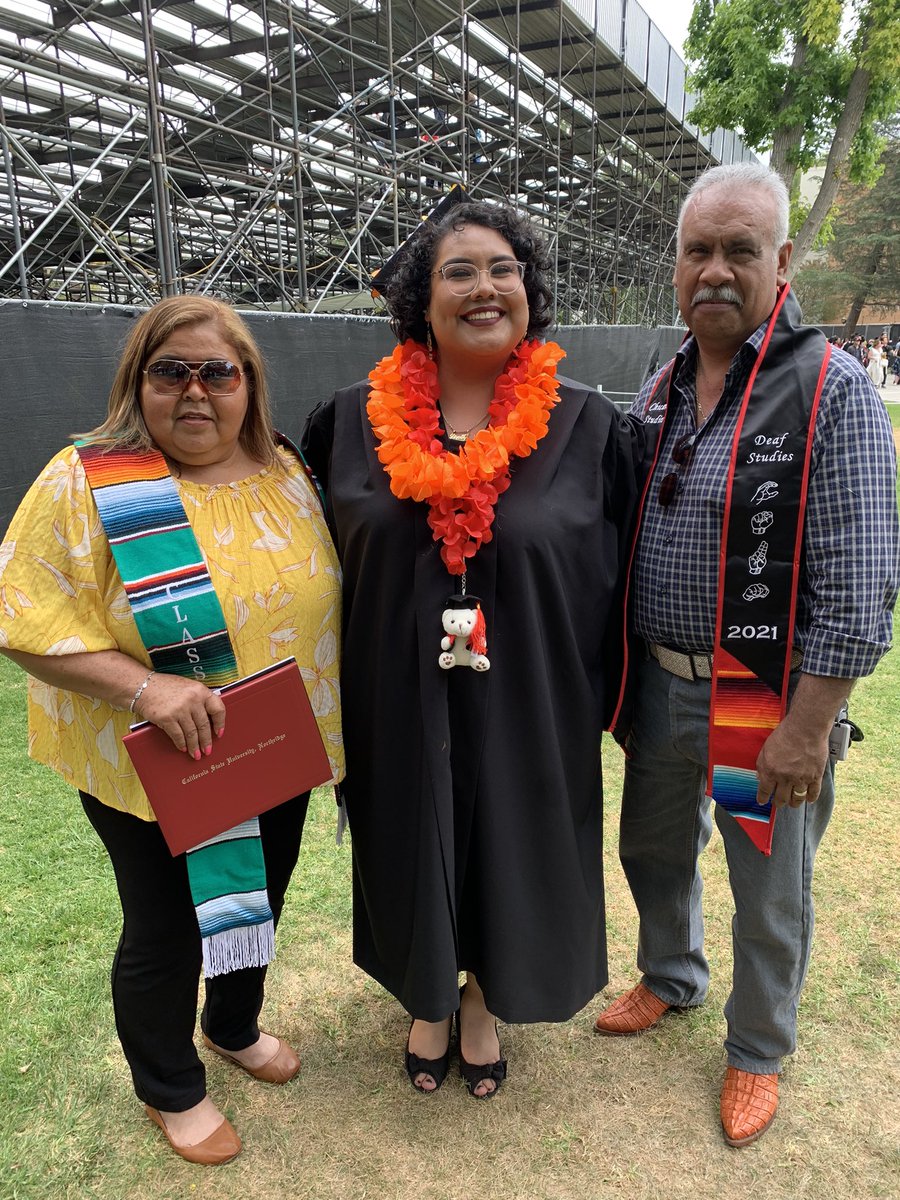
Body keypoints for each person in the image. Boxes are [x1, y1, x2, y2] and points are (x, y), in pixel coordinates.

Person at [302, 199, 643, 1099]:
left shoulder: (594, 430)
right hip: (391, 691)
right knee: (407, 832)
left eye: (504, 268)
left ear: (530, 289)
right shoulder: (344, 424)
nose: (485, 287)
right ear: (422, 297)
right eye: (459, 271)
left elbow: (628, 576)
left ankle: (484, 1001)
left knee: (513, 836)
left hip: (533, 690)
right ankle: (427, 998)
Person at [594, 163, 898, 1147]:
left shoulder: (831, 391)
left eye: (738, 250)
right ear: (677, 266)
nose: (715, 270)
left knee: (769, 891)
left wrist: (809, 728)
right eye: (698, 251)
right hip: (661, 686)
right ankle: (672, 976)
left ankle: (758, 1049)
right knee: (651, 851)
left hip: (762, 701)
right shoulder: (663, 386)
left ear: (783, 259)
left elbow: (857, 584)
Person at [0, 296, 344, 1164]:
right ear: (138, 381)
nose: (196, 391)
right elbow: (21, 615)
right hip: (153, 766)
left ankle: (233, 1024)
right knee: (165, 928)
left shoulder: (286, 469)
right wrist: (144, 686)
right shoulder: (87, 479)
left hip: (274, 749)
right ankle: (168, 1086)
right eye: (171, 371)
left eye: (218, 372)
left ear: (249, 384)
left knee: (257, 896)